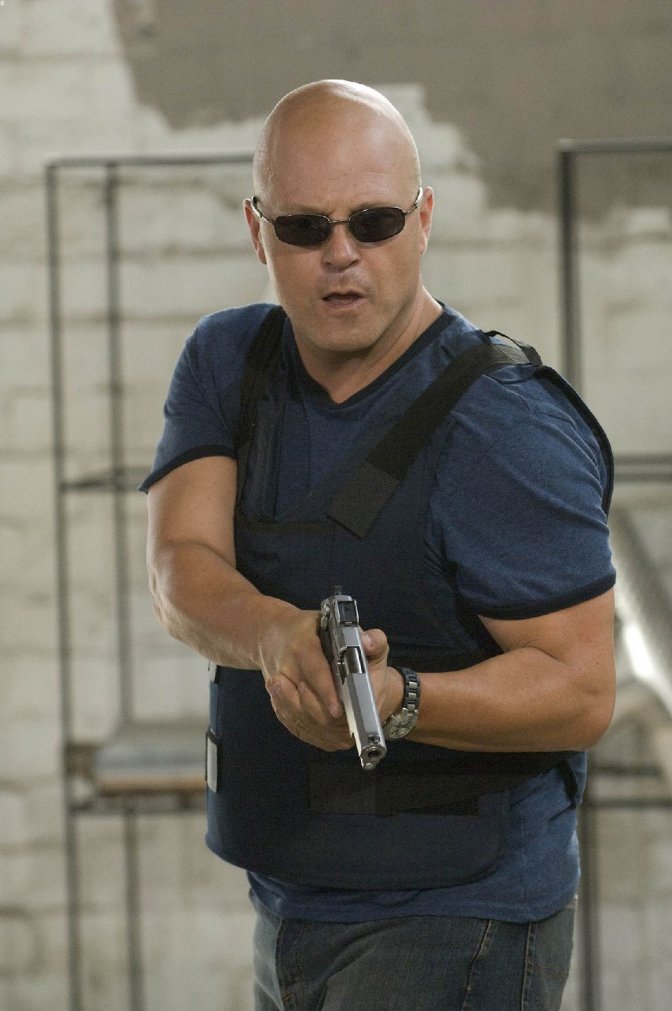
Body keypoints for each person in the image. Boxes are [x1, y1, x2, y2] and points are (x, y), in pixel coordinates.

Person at [142, 80, 616, 1011]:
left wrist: (396, 701)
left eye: (375, 221)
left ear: (424, 218)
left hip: (457, 915)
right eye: (303, 227)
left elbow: (582, 688)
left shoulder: (504, 425)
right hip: (291, 897)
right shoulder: (229, 363)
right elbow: (179, 569)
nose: (341, 254)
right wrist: (277, 634)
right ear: (257, 231)